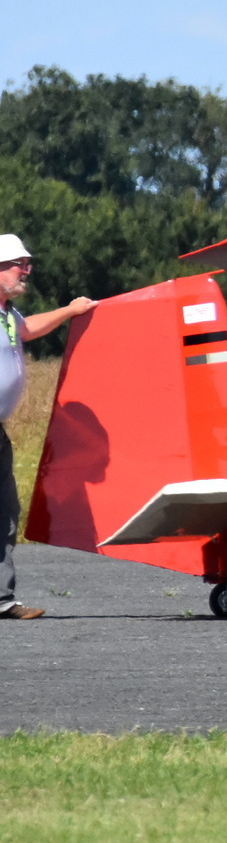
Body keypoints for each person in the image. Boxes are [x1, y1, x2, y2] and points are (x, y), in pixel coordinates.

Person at [0, 235, 95, 620]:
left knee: (5, 514)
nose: (27, 271)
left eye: (27, 264)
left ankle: (2, 600)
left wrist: (70, 311)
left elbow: (28, 329)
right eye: (19, 264)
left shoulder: (7, 314)